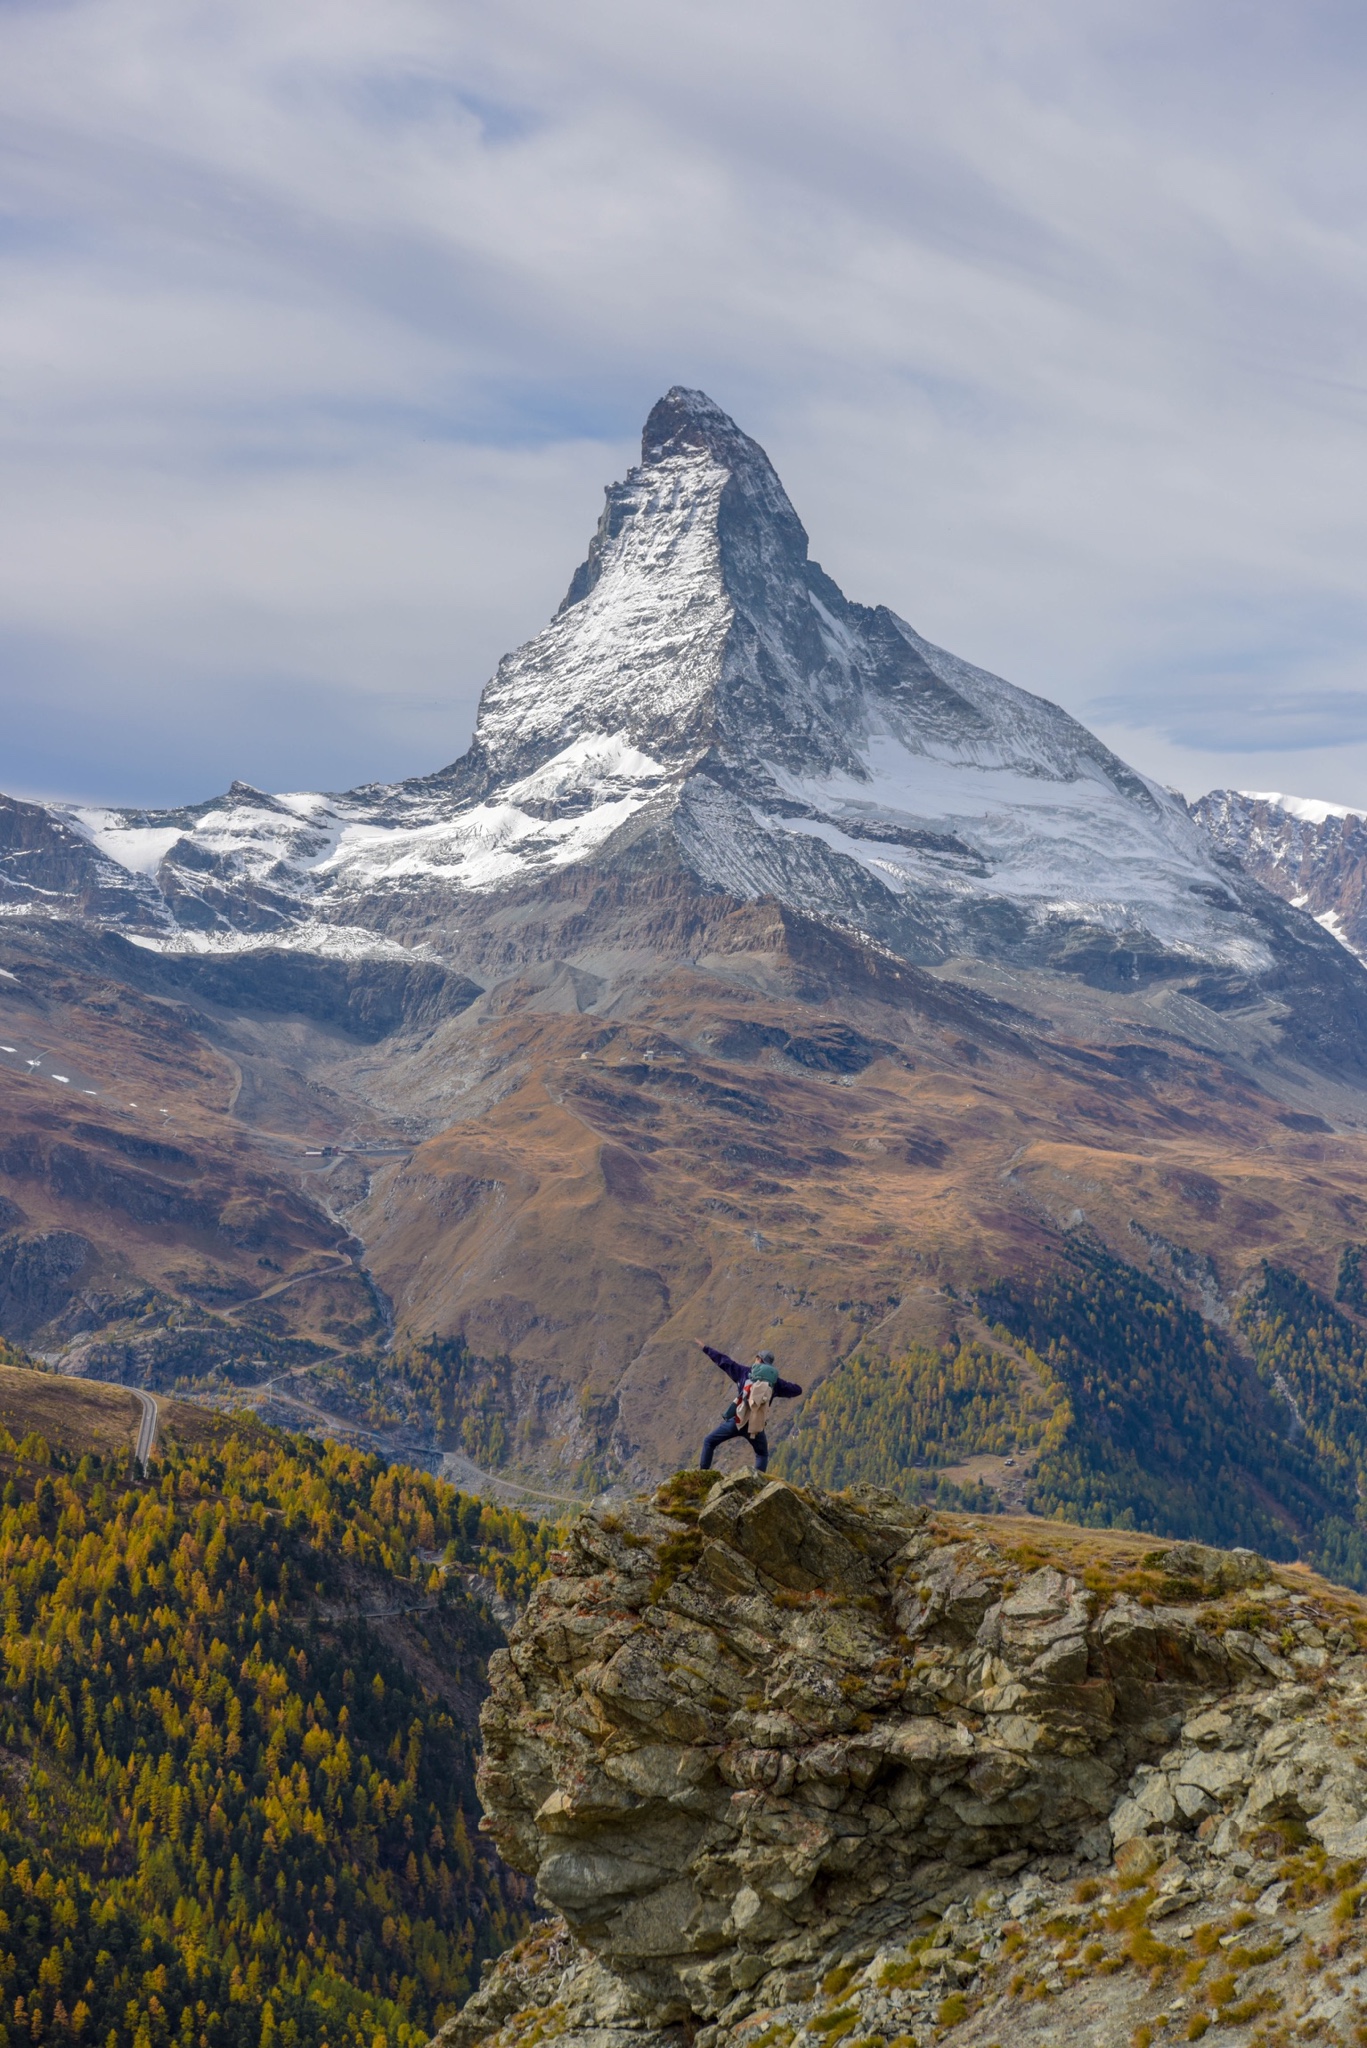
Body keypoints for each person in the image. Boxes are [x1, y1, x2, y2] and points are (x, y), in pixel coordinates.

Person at [695, 1338, 803, 1473]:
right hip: (756, 1426)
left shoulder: (743, 1372)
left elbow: (724, 1361)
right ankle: (758, 1483)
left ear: (758, 1359)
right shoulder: (775, 1383)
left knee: (709, 1441)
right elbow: (797, 1390)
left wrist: (706, 1348)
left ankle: (703, 1474)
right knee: (761, 1454)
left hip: (737, 1420)